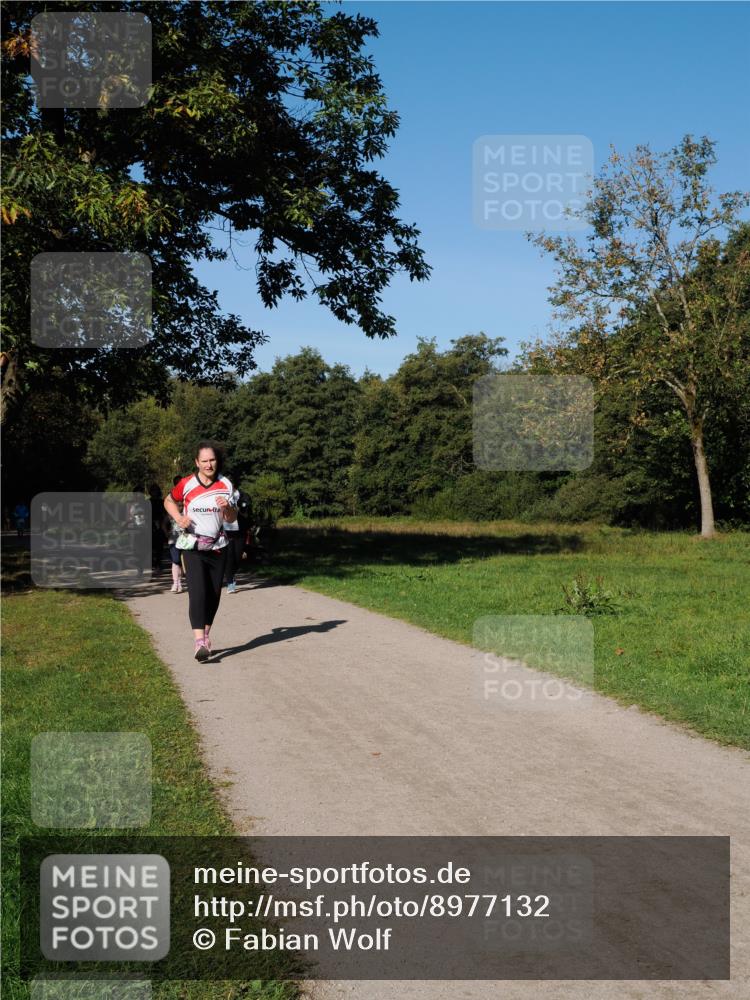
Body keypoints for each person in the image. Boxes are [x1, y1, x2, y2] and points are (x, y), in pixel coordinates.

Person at [164, 442, 237, 661]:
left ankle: (205, 635)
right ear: (197, 462)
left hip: (218, 547)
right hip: (192, 546)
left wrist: (228, 508)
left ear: (217, 461)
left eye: (212, 460)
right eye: (204, 461)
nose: (208, 465)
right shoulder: (186, 484)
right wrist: (178, 518)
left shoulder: (226, 485)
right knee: (198, 591)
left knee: (213, 595)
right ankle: (198, 642)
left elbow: (232, 519)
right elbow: (168, 500)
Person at [224, 488, 251, 593]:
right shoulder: (220, 494)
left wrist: (239, 509)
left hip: (240, 531)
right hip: (226, 531)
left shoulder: (244, 495)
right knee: (229, 557)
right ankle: (230, 582)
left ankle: (231, 574)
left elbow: (247, 514)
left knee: (238, 557)